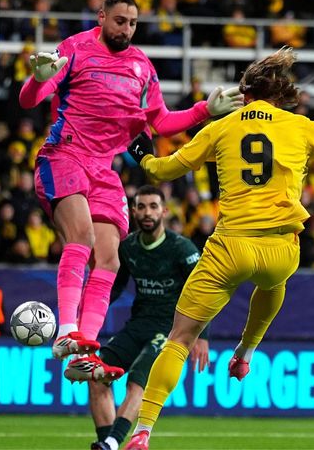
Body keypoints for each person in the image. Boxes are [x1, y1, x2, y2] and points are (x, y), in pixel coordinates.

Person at [123, 47, 314, 450]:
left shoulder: (221, 127)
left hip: (231, 247)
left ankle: (143, 431)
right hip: (281, 249)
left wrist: (144, 159)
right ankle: (245, 352)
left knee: (179, 339)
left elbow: (168, 167)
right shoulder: (301, 126)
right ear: (280, 95)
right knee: (273, 284)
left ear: (247, 95)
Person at [18, 0, 243, 383]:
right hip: (65, 155)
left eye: (133, 23)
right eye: (120, 21)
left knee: (110, 259)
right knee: (82, 238)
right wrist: (36, 81)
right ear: (102, 17)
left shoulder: (141, 67)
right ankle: (65, 327)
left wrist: (206, 110)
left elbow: (162, 121)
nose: (126, 29)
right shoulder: (74, 49)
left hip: (105, 170)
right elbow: (29, 99)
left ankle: (84, 346)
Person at [89, 185, 209, 450]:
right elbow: (116, 287)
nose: (147, 212)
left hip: (169, 330)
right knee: (96, 375)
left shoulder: (181, 248)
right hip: (138, 324)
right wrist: (91, 310)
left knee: (137, 379)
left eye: (153, 206)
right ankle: (108, 442)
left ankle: (110, 442)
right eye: (141, 207)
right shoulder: (128, 247)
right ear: (133, 212)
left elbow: (203, 291)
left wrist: (201, 336)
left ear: (164, 211)